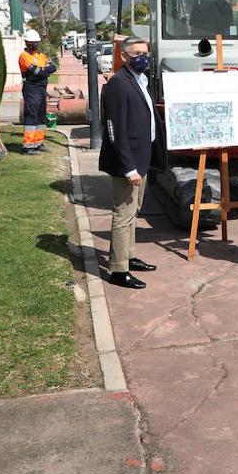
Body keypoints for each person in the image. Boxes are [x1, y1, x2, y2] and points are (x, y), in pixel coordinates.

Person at [98, 37, 158, 290]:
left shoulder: (140, 80)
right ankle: (118, 270)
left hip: (141, 157)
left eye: (145, 52)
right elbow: (115, 131)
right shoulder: (118, 84)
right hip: (128, 162)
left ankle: (128, 256)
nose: (142, 57)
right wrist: (129, 168)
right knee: (123, 214)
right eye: (137, 53)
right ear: (124, 56)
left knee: (134, 212)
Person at [18, 29, 56, 154]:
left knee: (40, 117)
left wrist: (43, 70)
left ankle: (38, 143)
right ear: (27, 42)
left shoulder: (40, 56)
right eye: (32, 42)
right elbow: (36, 72)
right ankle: (28, 146)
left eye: (36, 42)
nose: (35, 44)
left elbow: (53, 67)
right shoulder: (24, 56)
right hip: (31, 89)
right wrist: (45, 70)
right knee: (31, 116)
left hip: (41, 89)